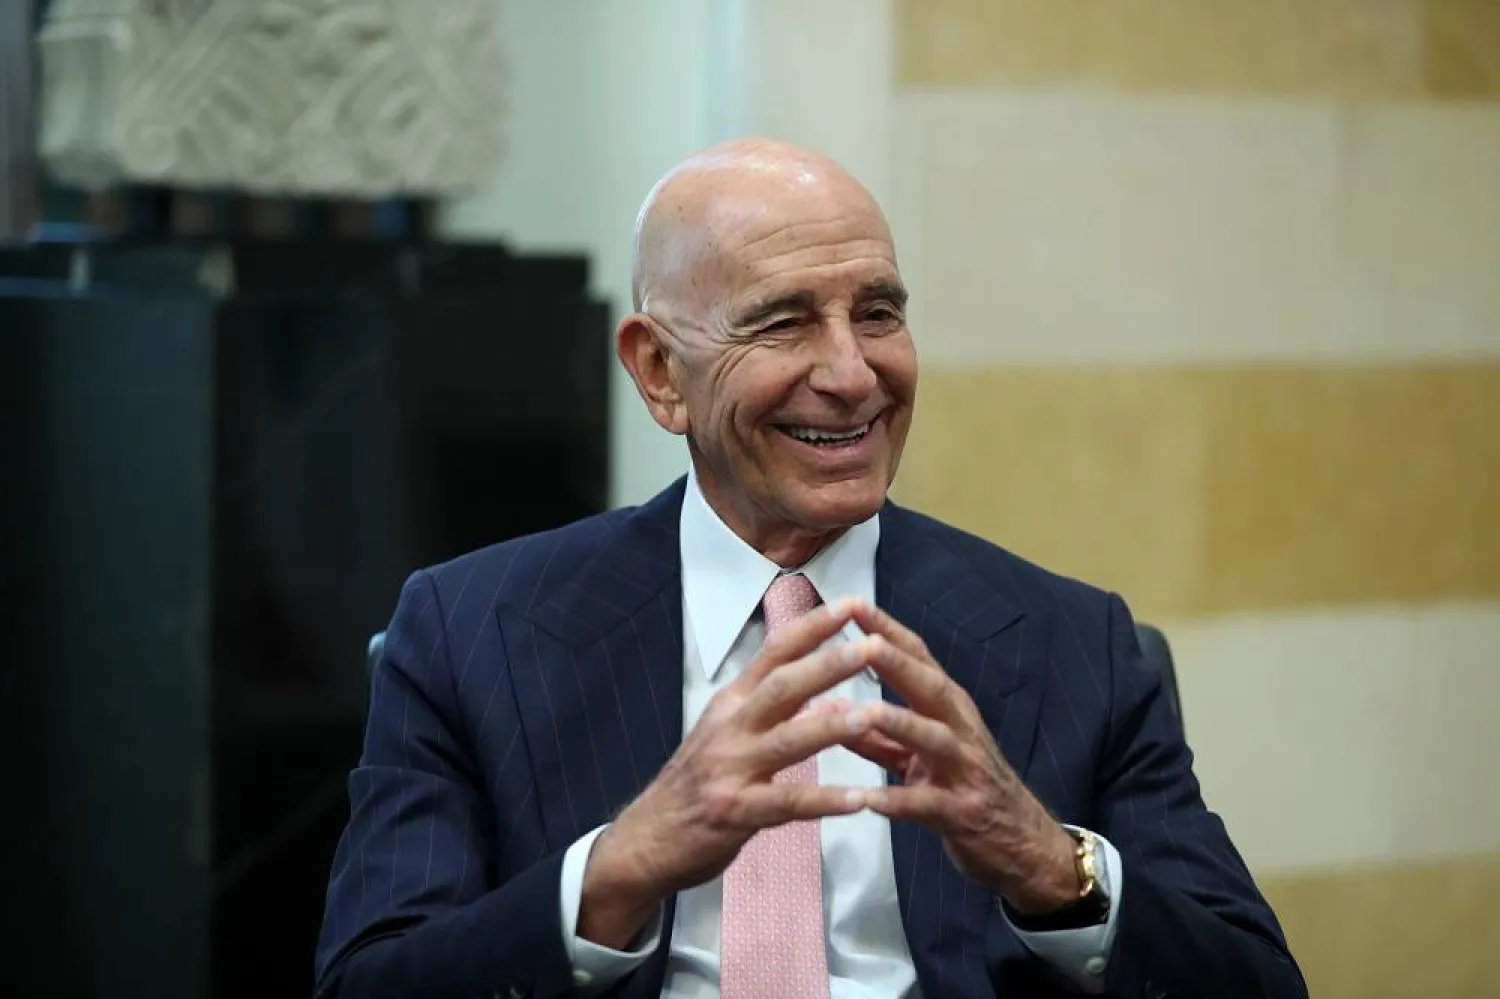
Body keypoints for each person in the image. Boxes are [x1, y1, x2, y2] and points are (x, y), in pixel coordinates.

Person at [314, 139, 1306, 999]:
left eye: (877, 314)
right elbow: (369, 981)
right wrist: (618, 870)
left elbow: (1255, 981)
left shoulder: (1074, 644)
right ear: (660, 373)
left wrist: (1050, 864)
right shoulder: (468, 632)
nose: (852, 373)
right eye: (784, 322)